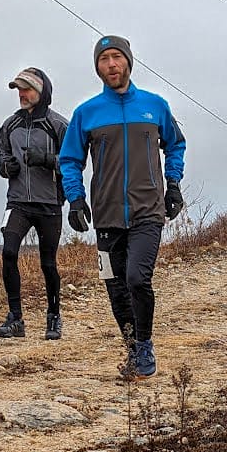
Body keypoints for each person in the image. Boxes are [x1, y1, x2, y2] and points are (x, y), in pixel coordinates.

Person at [59, 35, 186, 378]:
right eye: (104, 59)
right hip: (106, 214)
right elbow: (70, 159)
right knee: (115, 286)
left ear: (129, 62)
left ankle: (144, 345)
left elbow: (176, 145)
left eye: (117, 57)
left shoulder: (155, 105)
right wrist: (75, 198)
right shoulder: (86, 113)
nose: (111, 64)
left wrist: (172, 184)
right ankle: (132, 349)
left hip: (148, 209)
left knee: (136, 278)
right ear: (97, 67)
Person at [0, 68, 69, 339]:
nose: (22, 94)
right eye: (18, 89)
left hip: (49, 203)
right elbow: (1, 152)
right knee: (9, 253)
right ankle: (15, 319)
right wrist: (6, 167)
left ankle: (54, 317)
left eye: (26, 89)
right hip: (18, 203)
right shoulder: (9, 125)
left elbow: (74, 162)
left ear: (42, 91)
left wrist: (47, 160)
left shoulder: (58, 125)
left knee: (48, 264)